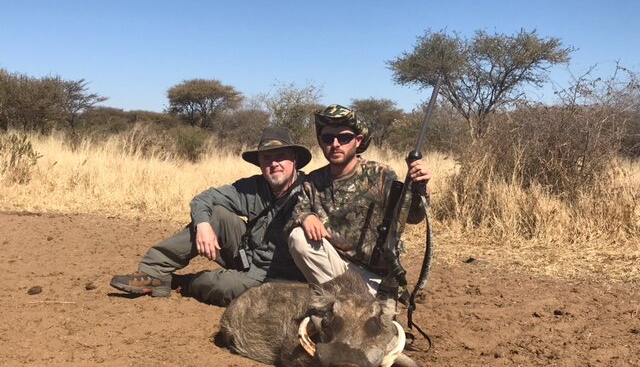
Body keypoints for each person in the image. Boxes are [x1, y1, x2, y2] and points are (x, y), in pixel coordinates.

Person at [110, 127, 312, 306]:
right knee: (215, 214)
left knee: (223, 286)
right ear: (259, 163)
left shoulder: (312, 191)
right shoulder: (254, 187)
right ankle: (152, 272)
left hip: (275, 277)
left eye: (280, 156)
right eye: (266, 157)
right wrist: (204, 225)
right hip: (248, 255)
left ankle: (183, 282)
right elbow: (203, 199)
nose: (274, 163)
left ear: (294, 159)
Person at [287, 104, 431, 295]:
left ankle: (350, 302)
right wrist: (305, 217)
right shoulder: (312, 181)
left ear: (358, 140)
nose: (336, 144)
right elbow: (292, 218)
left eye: (344, 138)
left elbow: (413, 216)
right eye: (328, 138)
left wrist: (418, 186)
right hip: (334, 271)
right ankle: (350, 303)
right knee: (298, 237)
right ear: (320, 142)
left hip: (372, 277)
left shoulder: (381, 174)